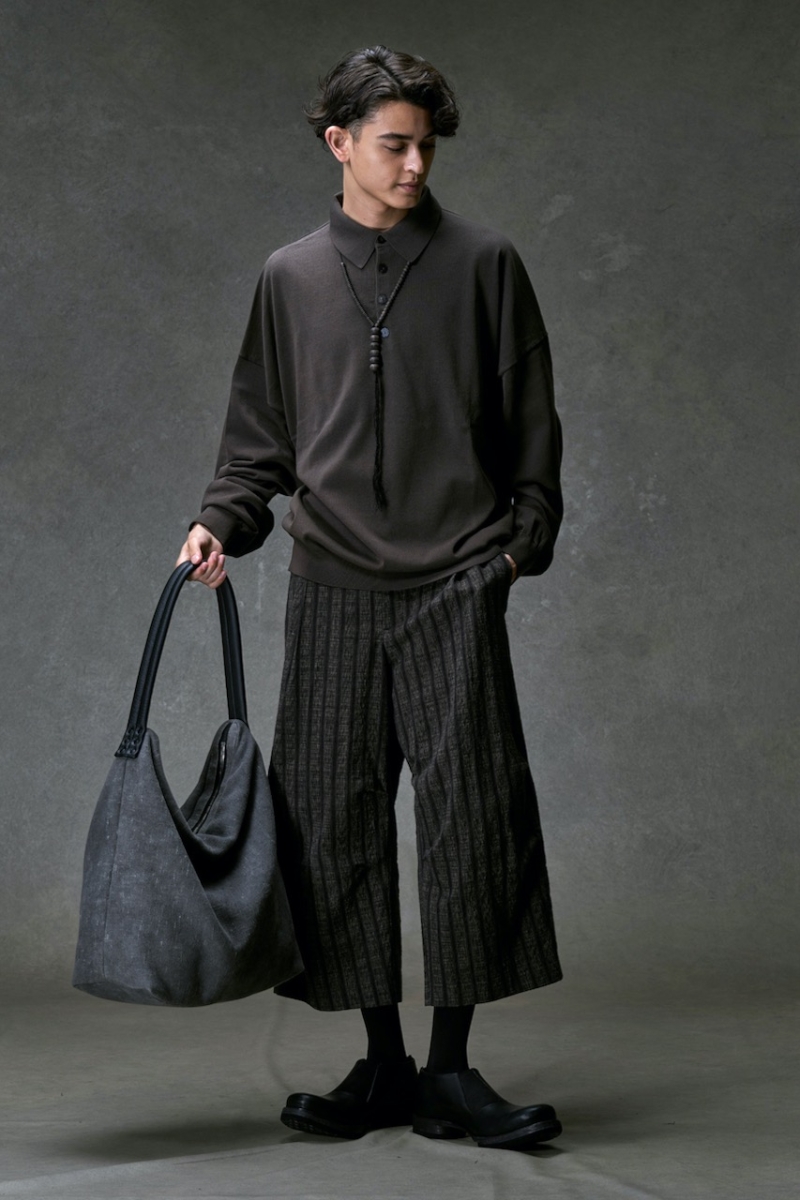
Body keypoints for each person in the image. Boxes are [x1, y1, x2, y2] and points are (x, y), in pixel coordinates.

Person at [177, 45, 564, 1152]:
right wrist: (220, 522)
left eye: (426, 146)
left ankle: (451, 1070)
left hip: (456, 584)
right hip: (331, 586)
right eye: (393, 144)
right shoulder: (290, 276)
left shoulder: (485, 264)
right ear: (338, 143)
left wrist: (512, 555)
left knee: (472, 822)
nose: (414, 164)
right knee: (330, 825)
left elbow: (532, 436)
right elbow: (258, 441)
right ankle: (383, 1061)